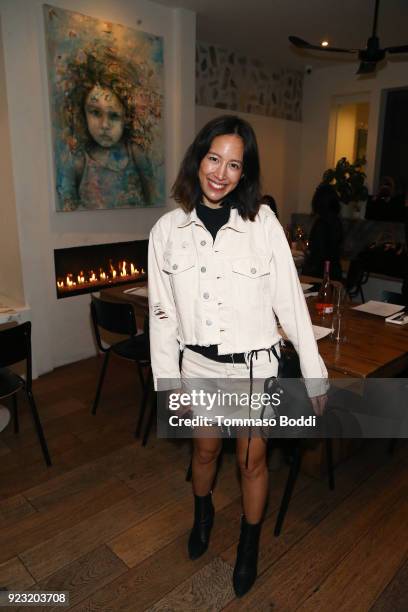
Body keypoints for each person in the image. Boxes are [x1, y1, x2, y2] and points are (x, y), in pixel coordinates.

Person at [148, 115, 328, 598]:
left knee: (252, 462)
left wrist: (314, 373)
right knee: (205, 451)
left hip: (254, 370)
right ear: (198, 158)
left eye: (234, 165)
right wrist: (168, 384)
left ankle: (249, 544)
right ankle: (202, 511)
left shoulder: (261, 224)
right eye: (213, 158)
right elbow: (163, 317)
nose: (220, 173)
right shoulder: (166, 231)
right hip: (200, 369)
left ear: (244, 173)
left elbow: (290, 301)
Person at [57, 48, 159, 210]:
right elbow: (67, 206)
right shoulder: (78, 161)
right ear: (83, 112)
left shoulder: (135, 153)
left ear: (126, 118)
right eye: (95, 112)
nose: (104, 125)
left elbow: (154, 200)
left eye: (113, 116)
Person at [302, 184, 344, 281]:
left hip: (320, 275)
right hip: (334, 273)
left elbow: (318, 255)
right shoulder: (337, 221)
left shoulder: (321, 223)